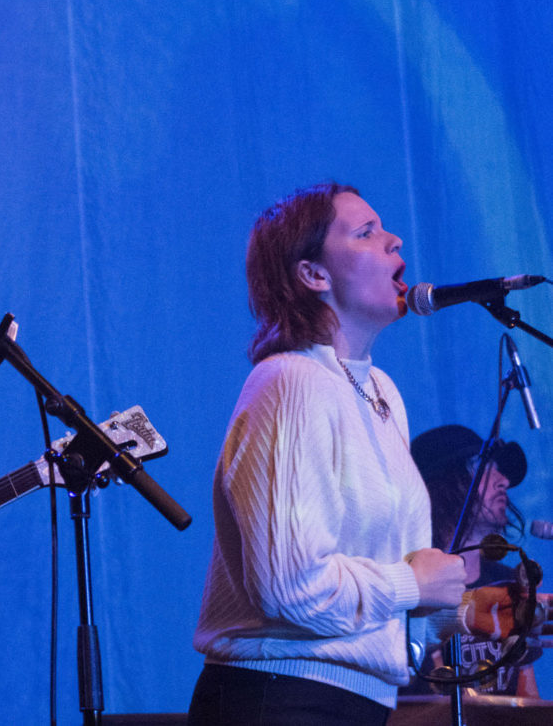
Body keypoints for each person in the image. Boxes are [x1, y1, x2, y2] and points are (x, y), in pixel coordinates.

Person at [188, 182, 469, 725]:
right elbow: (291, 589)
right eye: (366, 232)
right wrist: (416, 583)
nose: (395, 240)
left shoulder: (382, 391)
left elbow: (379, 599)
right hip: (281, 697)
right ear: (313, 274)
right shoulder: (289, 382)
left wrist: (457, 609)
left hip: (354, 703)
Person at [408, 424, 540, 697]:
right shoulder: (413, 584)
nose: (503, 480)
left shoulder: (507, 581)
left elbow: (527, 696)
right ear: (444, 480)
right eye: (482, 465)